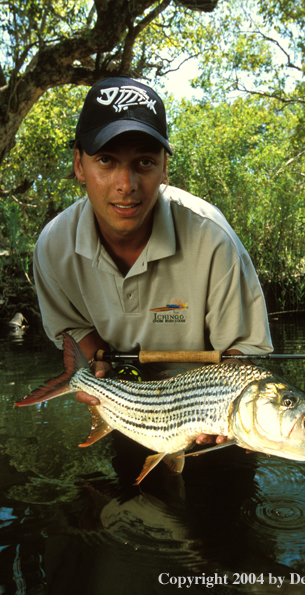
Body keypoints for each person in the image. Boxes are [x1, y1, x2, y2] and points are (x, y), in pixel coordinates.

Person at [33, 76, 273, 446]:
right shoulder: (52, 247)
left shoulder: (213, 238)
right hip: (127, 414)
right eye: (106, 161)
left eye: (144, 162)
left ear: (164, 168)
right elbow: (74, 329)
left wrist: (215, 407)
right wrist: (99, 368)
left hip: (216, 425)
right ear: (79, 165)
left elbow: (245, 355)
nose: (126, 183)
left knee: (226, 494)